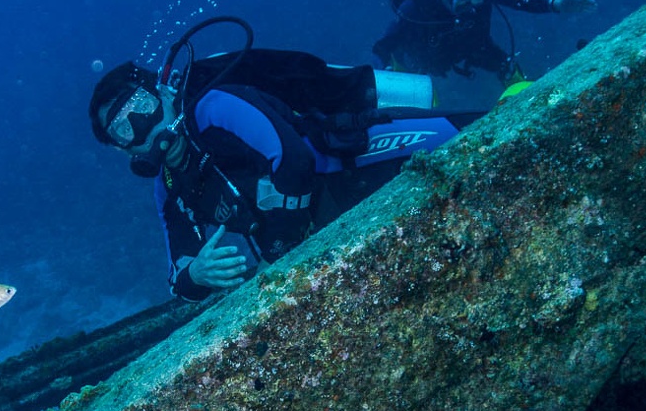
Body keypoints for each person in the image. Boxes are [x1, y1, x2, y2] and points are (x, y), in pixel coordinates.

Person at [90, 17, 484, 302]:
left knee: (478, 130)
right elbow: (179, 278)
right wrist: (197, 272)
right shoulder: (169, 189)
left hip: (355, 161)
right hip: (306, 233)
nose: (144, 126)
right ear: (125, 150)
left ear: (162, 92)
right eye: (125, 129)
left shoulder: (211, 108)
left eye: (140, 107)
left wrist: (280, 243)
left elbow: (293, 159)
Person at [372, 0, 598, 86]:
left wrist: (555, 4)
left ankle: (519, 100)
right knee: (410, 79)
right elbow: (387, 40)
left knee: (506, 67)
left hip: (473, 47)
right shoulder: (416, 7)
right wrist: (386, 68)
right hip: (424, 58)